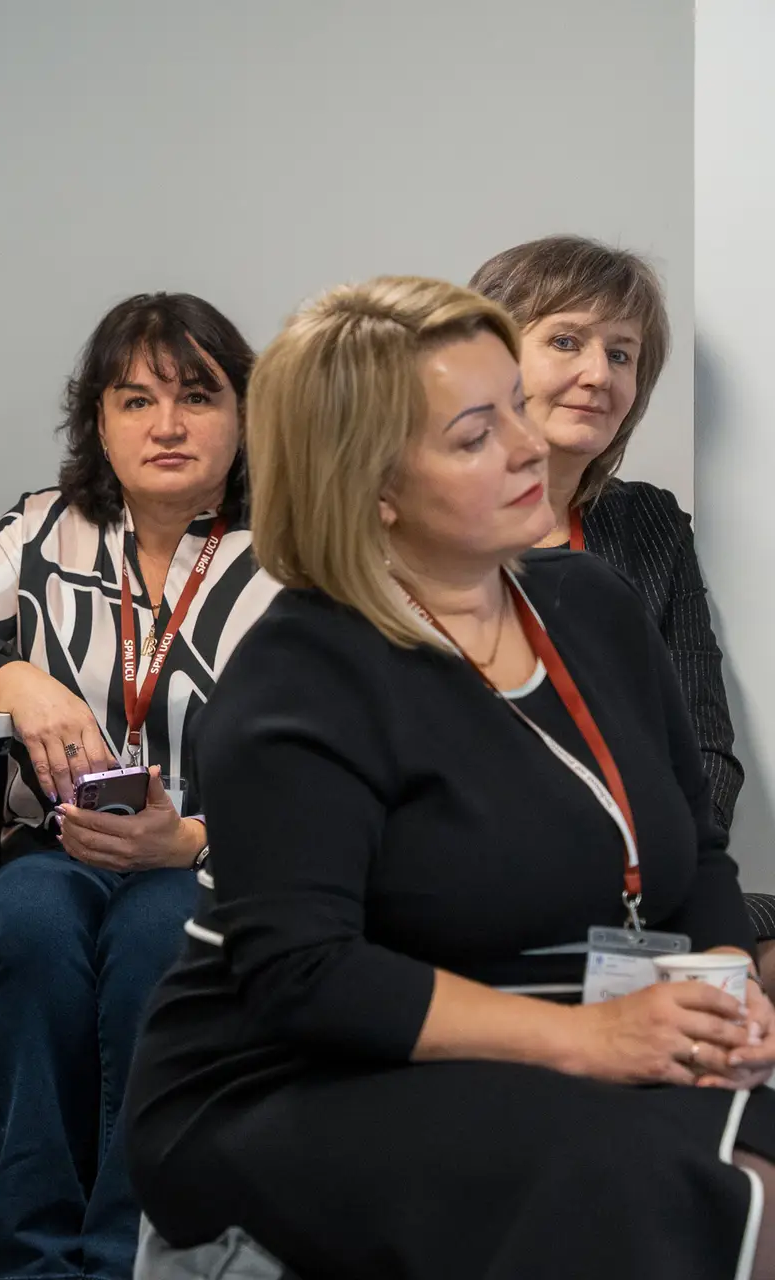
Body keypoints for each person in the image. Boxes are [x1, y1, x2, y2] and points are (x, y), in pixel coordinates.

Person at [125, 275, 775, 1280]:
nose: (528, 445)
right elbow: (308, 978)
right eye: (476, 435)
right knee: (648, 1176)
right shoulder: (300, 677)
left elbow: (696, 847)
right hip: (292, 1074)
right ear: (372, 486)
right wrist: (589, 1039)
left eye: (516, 404)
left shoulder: (594, 605)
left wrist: (728, 989)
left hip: (559, 1012)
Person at [0, 293, 280, 1280]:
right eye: (136, 400)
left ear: (245, 413)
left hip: (208, 860)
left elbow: (339, 760)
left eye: (197, 396)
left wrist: (189, 840)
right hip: (54, 849)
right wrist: (16, 680)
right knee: (24, 921)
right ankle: (32, 1260)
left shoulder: (294, 551)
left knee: (159, 937)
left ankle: (123, 1259)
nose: (167, 424)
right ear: (98, 422)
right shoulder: (42, 529)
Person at [469, 235, 775, 949]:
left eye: (621, 354)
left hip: (643, 879)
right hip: (481, 886)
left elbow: (704, 748)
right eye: (565, 341)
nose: (597, 374)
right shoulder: (416, 526)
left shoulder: (649, 523)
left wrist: (658, 871)